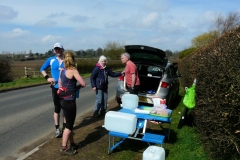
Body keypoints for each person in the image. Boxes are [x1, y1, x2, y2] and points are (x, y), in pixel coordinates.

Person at [58, 51, 86, 155]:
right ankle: (64, 148)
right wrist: (77, 86)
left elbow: (60, 85)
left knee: (67, 124)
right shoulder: (73, 70)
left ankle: (72, 143)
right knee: (69, 126)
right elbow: (83, 83)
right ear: (73, 59)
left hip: (63, 100)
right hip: (70, 101)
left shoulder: (62, 70)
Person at [40, 43, 65, 138]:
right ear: (54, 50)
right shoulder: (51, 60)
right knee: (57, 108)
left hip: (66, 88)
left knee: (65, 109)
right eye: (56, 49)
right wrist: (47, 78)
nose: (57, 50)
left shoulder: (67, 60)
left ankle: (65, 128)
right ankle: (57, 129)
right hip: (55, 88)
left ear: (63, 49)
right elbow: (42, 69)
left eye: (59, 49)